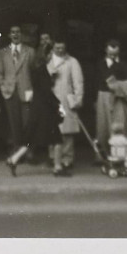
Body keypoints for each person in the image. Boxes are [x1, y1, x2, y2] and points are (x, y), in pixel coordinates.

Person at [4, 54, 66, 177]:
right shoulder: (43, 72)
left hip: (37, 109)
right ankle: (58, 168)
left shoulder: (36, 71)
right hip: (45, 111)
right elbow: (46, 93)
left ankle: (13, 159)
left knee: (31, 140)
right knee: (57, 139)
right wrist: (58, 104)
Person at [46, 40, 84, 174]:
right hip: (51, 100)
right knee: (52, 130)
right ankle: (53, 157)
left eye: (62, 48)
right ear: (53, 47)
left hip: (66, 100)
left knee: (67, 131)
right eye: (57, 47)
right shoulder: (48, 61)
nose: (60, 50)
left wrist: (77, 100)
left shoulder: (72, 62)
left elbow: (78, 82)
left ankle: (67, 158)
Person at [0, 25, 35, 155]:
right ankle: (17, 151)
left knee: (27, 122)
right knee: (14, 123)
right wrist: (3, 87)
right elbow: (0, 73)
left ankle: (28, 151)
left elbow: (34, 72)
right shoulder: (3, 52)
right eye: (12, 32)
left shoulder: (30, 51)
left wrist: (32, 88)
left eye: (18, 32)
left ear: (22, 35)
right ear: (9, 35)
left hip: (26, 91)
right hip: (10, 91)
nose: (15, 34)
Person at [92, 39, 127, 153]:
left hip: (118, 96)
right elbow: (97, 80)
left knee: (118, 124)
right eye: (110, 53)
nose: (112, 56)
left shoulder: (124, 65)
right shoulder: (100, 64)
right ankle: (102, 154)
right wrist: (94, 100)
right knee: (102, 125)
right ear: (106, 50)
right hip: (102, 95)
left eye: (115, 54)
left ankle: (118, 153)